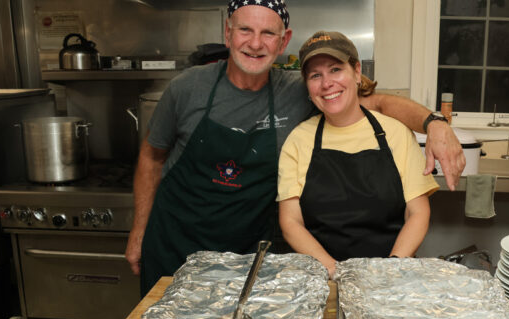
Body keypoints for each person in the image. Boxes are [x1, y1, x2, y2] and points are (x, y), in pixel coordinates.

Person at [125, 0, 465, 295]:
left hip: (248, 253)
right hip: (176, 244)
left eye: (268, 34)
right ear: (227, 33)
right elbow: (151, 157)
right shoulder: (186, 89)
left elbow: (375, 104)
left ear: (283, 40)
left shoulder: (295, 90)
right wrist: (139, 230)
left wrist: (434, 123)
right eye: (245, 30)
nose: (255, 44)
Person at [277, 31, 439, 278]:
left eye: (335, 69)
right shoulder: (298, 140)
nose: (326, 83)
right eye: (315, 75)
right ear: (307, 86)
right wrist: (336, 272)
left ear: (356, 71)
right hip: (322, 278)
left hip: (390, 276)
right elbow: (291, 222)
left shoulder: (395, 133)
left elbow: (417, 212)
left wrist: (390, 269)